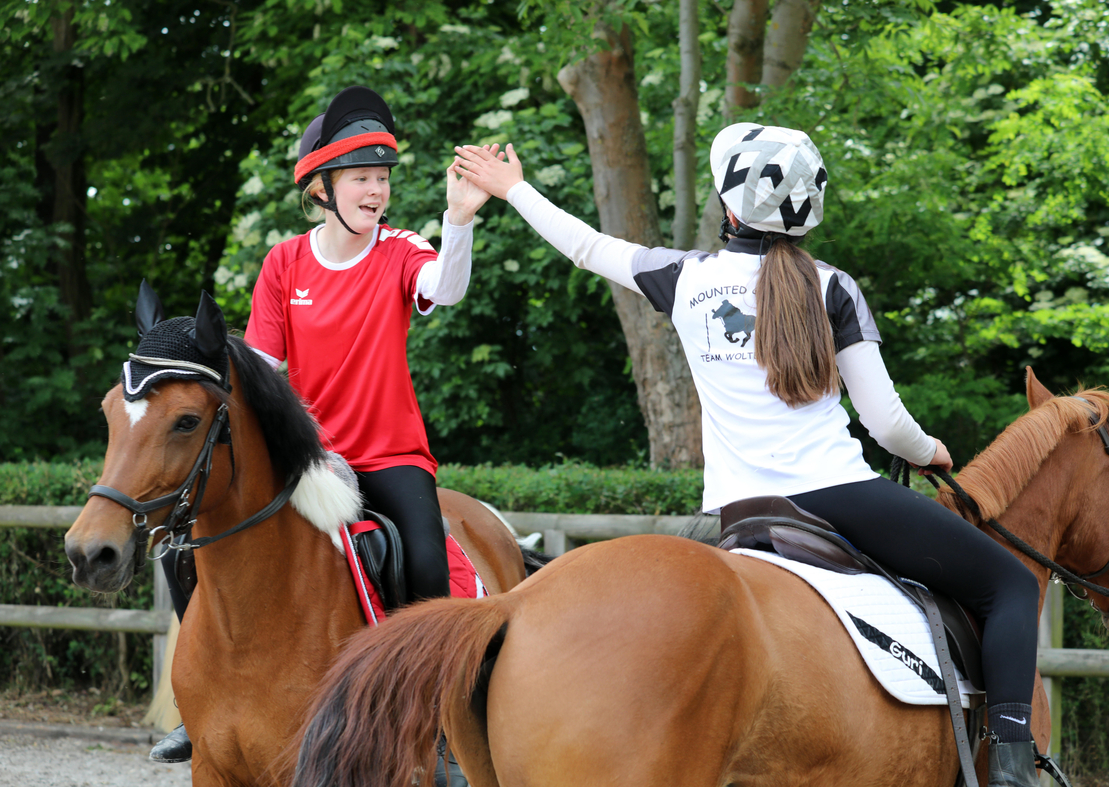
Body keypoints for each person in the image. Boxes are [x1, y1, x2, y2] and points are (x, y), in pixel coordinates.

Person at [452, 124, 1043, 787]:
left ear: (730, 207)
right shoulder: (832, 287)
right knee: (1011, 585)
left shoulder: (684, 277)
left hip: (742, 513)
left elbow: (587, 247)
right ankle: (1016, 770)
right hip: (842, 498)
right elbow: (886, 423)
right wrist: (930, 450)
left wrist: (514, 188)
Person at [150, 86, 496, 782]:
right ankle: (197, 705)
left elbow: (446, 287)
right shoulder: (284, 265)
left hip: (392, 455)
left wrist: (458, 222)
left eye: (384, 177)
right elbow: (266, 372)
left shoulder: (400, 249)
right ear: (323, 187)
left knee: (426, 565)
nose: (378, 190)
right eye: (363, 178)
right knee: (186, 547)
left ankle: (433, 723)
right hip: (306, 459)